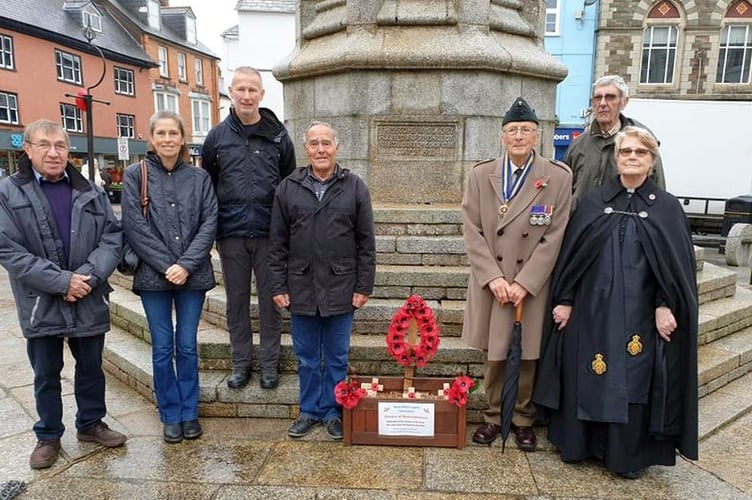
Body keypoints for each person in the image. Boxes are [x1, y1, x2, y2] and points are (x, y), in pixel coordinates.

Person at [533, 126, 698, 479]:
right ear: (617, 158)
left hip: (640, 315)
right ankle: (579, 446)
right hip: (590, 311)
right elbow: (572, 257)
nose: (632, 158)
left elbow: (674, 268)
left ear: (652, 161)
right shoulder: (595, 201)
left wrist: (665, 304)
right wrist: (564, 299)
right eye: (626, 152)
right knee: (585, 371)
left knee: (633, 378)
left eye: (640, 153)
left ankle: (625, 456)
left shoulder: (666, 209)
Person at [0, 119, 127, 469]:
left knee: (91, 368)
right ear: (27, 149)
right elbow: (9, 249)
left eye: (59, 146)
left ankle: (90, 423)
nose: (53, 153)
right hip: (40, 300)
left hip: (87, 293)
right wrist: (61, 282)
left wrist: (85, 276)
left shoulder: (91, 190)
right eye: (44, 145)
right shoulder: (8, 192)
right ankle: (48, 435)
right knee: (45, 372)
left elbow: (112, 237)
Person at [461, 98, 572, 451]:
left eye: (525, 130)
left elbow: (555, 234)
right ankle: (494, 416)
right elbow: (472, 229)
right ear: (502, 137)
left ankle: (523, 418)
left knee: (526, 353)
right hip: (491, 280)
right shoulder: (481, 174)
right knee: (494, 352)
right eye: (512, 130)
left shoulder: (556, 176)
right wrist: (493, 277)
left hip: (530, 283)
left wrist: (525, 283)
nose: (519, 136)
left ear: (537, 136)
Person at [269, 122, 376, 440]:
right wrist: (278, 286)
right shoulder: (288, 187)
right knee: (306, 356)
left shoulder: (355, 187)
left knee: (337, 356)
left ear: (336, 148)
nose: (320, 149)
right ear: (306, 149)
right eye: (314, 144)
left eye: (326, 143)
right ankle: (309, 410)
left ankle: (332, 411)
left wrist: (363, 286)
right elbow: (277, 243)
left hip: (341, 288)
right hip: (300, 287)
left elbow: (366, 242)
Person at [122, 111, 218, 444]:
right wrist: (166, 265)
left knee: (187, 345)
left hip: (192, 276)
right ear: (151, 138)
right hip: (153, 277)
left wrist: (187, 264)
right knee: (163, 347)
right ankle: (170, 413)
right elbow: (134, 226)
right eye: (160, 133)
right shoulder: (136, 175)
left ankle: (189, 411)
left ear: (182, 138)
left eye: (172, 133)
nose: (167, 139)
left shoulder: (199, 177)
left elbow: (210, 223)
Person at [202, 66, 296, 390]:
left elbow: (288, 185)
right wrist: (214, 230)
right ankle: (241, 363)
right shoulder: (216, 137)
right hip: (232, 234)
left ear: (261, 94)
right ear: (232, 91)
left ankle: (270, 364)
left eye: (252, 90)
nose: (246, 95)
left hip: (270, 234)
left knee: (272, 301)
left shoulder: (279, 136)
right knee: (236, 302)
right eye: (240, 89)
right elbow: (209, 186)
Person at [565, 75, 666, 210]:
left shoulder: (642, 143)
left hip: (624, 225)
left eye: (610, 97)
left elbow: (658, 190)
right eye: (597, 98)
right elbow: (564, 191)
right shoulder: (578, 144)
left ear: (624, 102)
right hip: (583, 225)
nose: (602, 103)